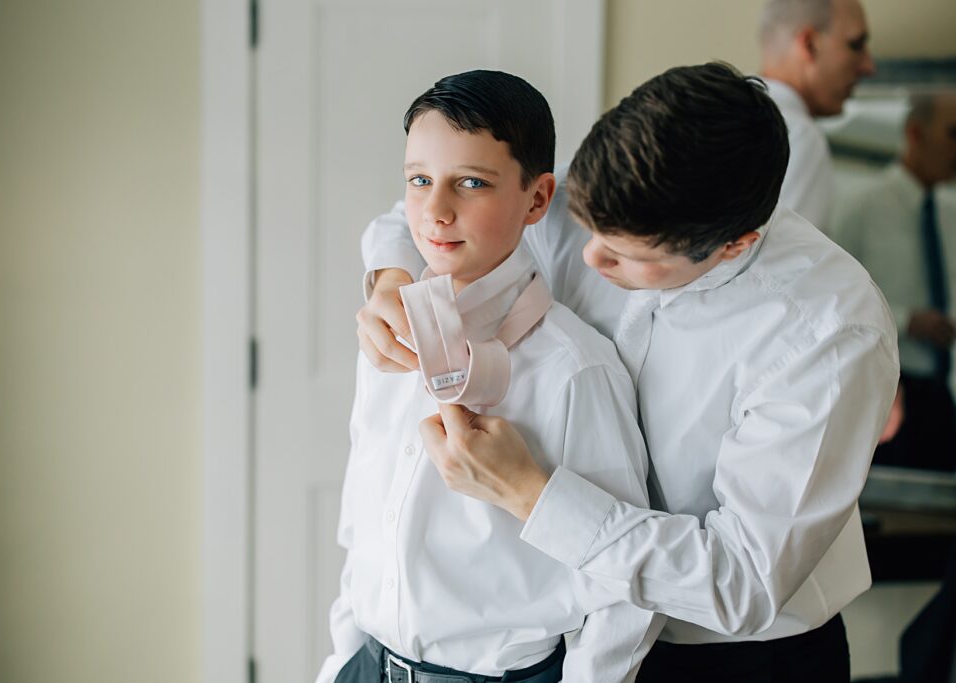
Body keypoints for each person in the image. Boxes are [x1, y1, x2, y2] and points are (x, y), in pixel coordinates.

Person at [357, 63, 899, 682]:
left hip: (732, 658)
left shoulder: (828, 334)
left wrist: (528, 493)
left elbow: (740, 583)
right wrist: (391, 280)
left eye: (627, 255)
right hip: (575, 645)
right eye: (589, 225)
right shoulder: (617, 191)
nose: (588, 257)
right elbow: (423, 211)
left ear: (735, 244)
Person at [317, 70, 660, 683]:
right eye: (420, 181)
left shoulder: (576, 371)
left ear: (537, 199)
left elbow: (620, 587)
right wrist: (340, 659)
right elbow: (365, 515)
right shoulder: (388, 338)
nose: (436, 211)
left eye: (471, 183)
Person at [832, 92, 956, 472]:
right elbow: (830, 296)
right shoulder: (861, 208)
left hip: (944, 398)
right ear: (916, 133)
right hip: (883, 393)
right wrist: (906, 320)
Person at [759, 0, 876, 232]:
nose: (868, 66)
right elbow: (792, 266)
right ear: (810, 44)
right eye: (856, 45)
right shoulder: (797, 136)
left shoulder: (714, 119)